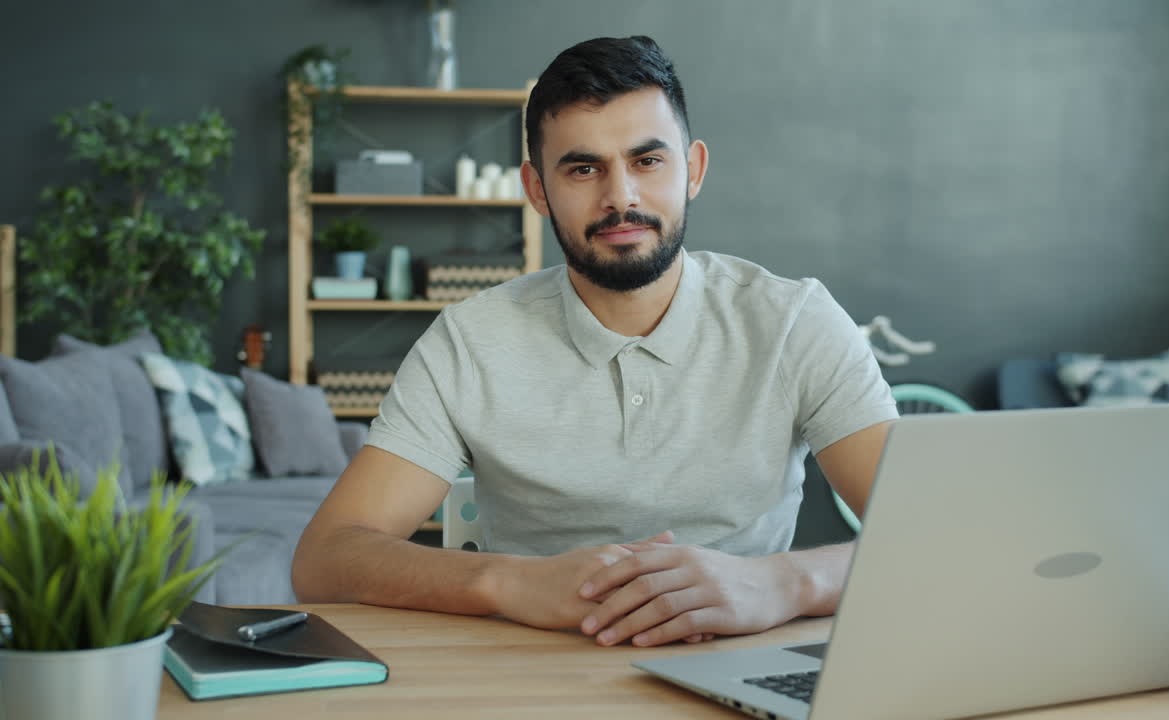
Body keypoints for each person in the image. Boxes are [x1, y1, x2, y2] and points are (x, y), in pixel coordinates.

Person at [292, 35, 898, 648]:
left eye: (647, 161)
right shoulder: (468, 342)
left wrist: (781, 584)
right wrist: (508, 582)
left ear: (692, 170)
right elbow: (324, 559)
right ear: (536, 190)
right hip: (528, 678)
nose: (620, 197)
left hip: (744, 673)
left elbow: (936, 535)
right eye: (584, 168)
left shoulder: (796, 322)